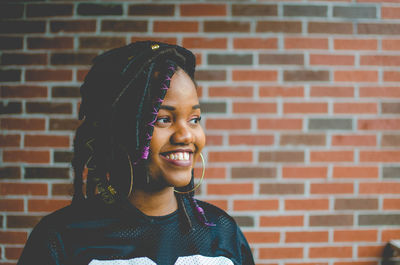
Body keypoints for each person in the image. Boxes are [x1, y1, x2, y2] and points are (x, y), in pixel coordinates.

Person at [17, 41, 255, 265]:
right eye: (163, 119)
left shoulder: (222, 233)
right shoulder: (61, 239)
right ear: (118, 129)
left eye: (194, 119)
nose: (186, 136)